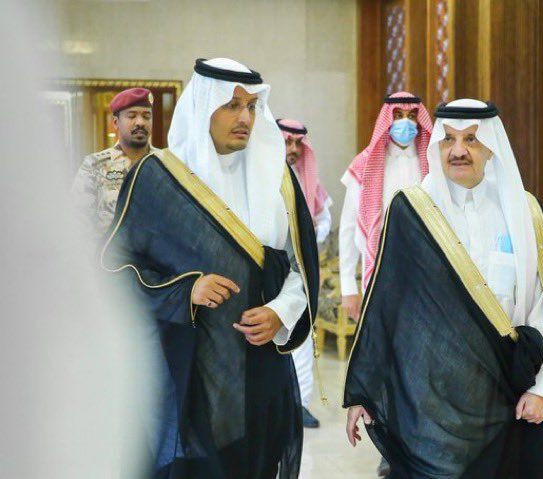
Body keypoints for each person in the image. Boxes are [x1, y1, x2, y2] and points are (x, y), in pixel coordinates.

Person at [101, 58, 319, 479]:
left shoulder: (278, 179)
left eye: (252, 106)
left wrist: (281, 311)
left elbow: (301, 268)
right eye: (232, 105)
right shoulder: (157, 177)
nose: (245, 118)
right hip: (186, 371)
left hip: (260, 370)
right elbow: (114, 270)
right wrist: (185, 290)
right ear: (203, 106)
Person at [344, 99, 543, 478]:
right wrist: (365, 390)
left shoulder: (525, 213)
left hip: (508, 392)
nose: (458, 150)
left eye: (471, 140)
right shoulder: (412, 210)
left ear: (491, 147)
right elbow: (388, 305)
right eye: (448, 139)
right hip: (431, 395)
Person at [339, 92, 433, 321]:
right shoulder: (365, 164)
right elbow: (349, 227)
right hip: (380, 266)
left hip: (426, 269)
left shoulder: (433, 164)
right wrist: (348, 287)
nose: (405, 123)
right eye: (398, 115)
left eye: (412, 116)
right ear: (388, 119)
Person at [277, 118, 330, 428]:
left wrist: (311, 239)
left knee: (303, 338)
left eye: (299, 143)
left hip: (301, 270)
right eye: (288, 142)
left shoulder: (307, 179)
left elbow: (324, 217)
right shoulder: (261, 175)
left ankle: (301, 404)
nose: (294, 149)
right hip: (271, 266)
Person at [71, 87, 157, 241]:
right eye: (131, 116)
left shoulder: (165, 163)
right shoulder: (95, 165)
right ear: (116, 123)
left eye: (146, 116)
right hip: (107, 254)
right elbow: (78, 222)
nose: (140, 122)